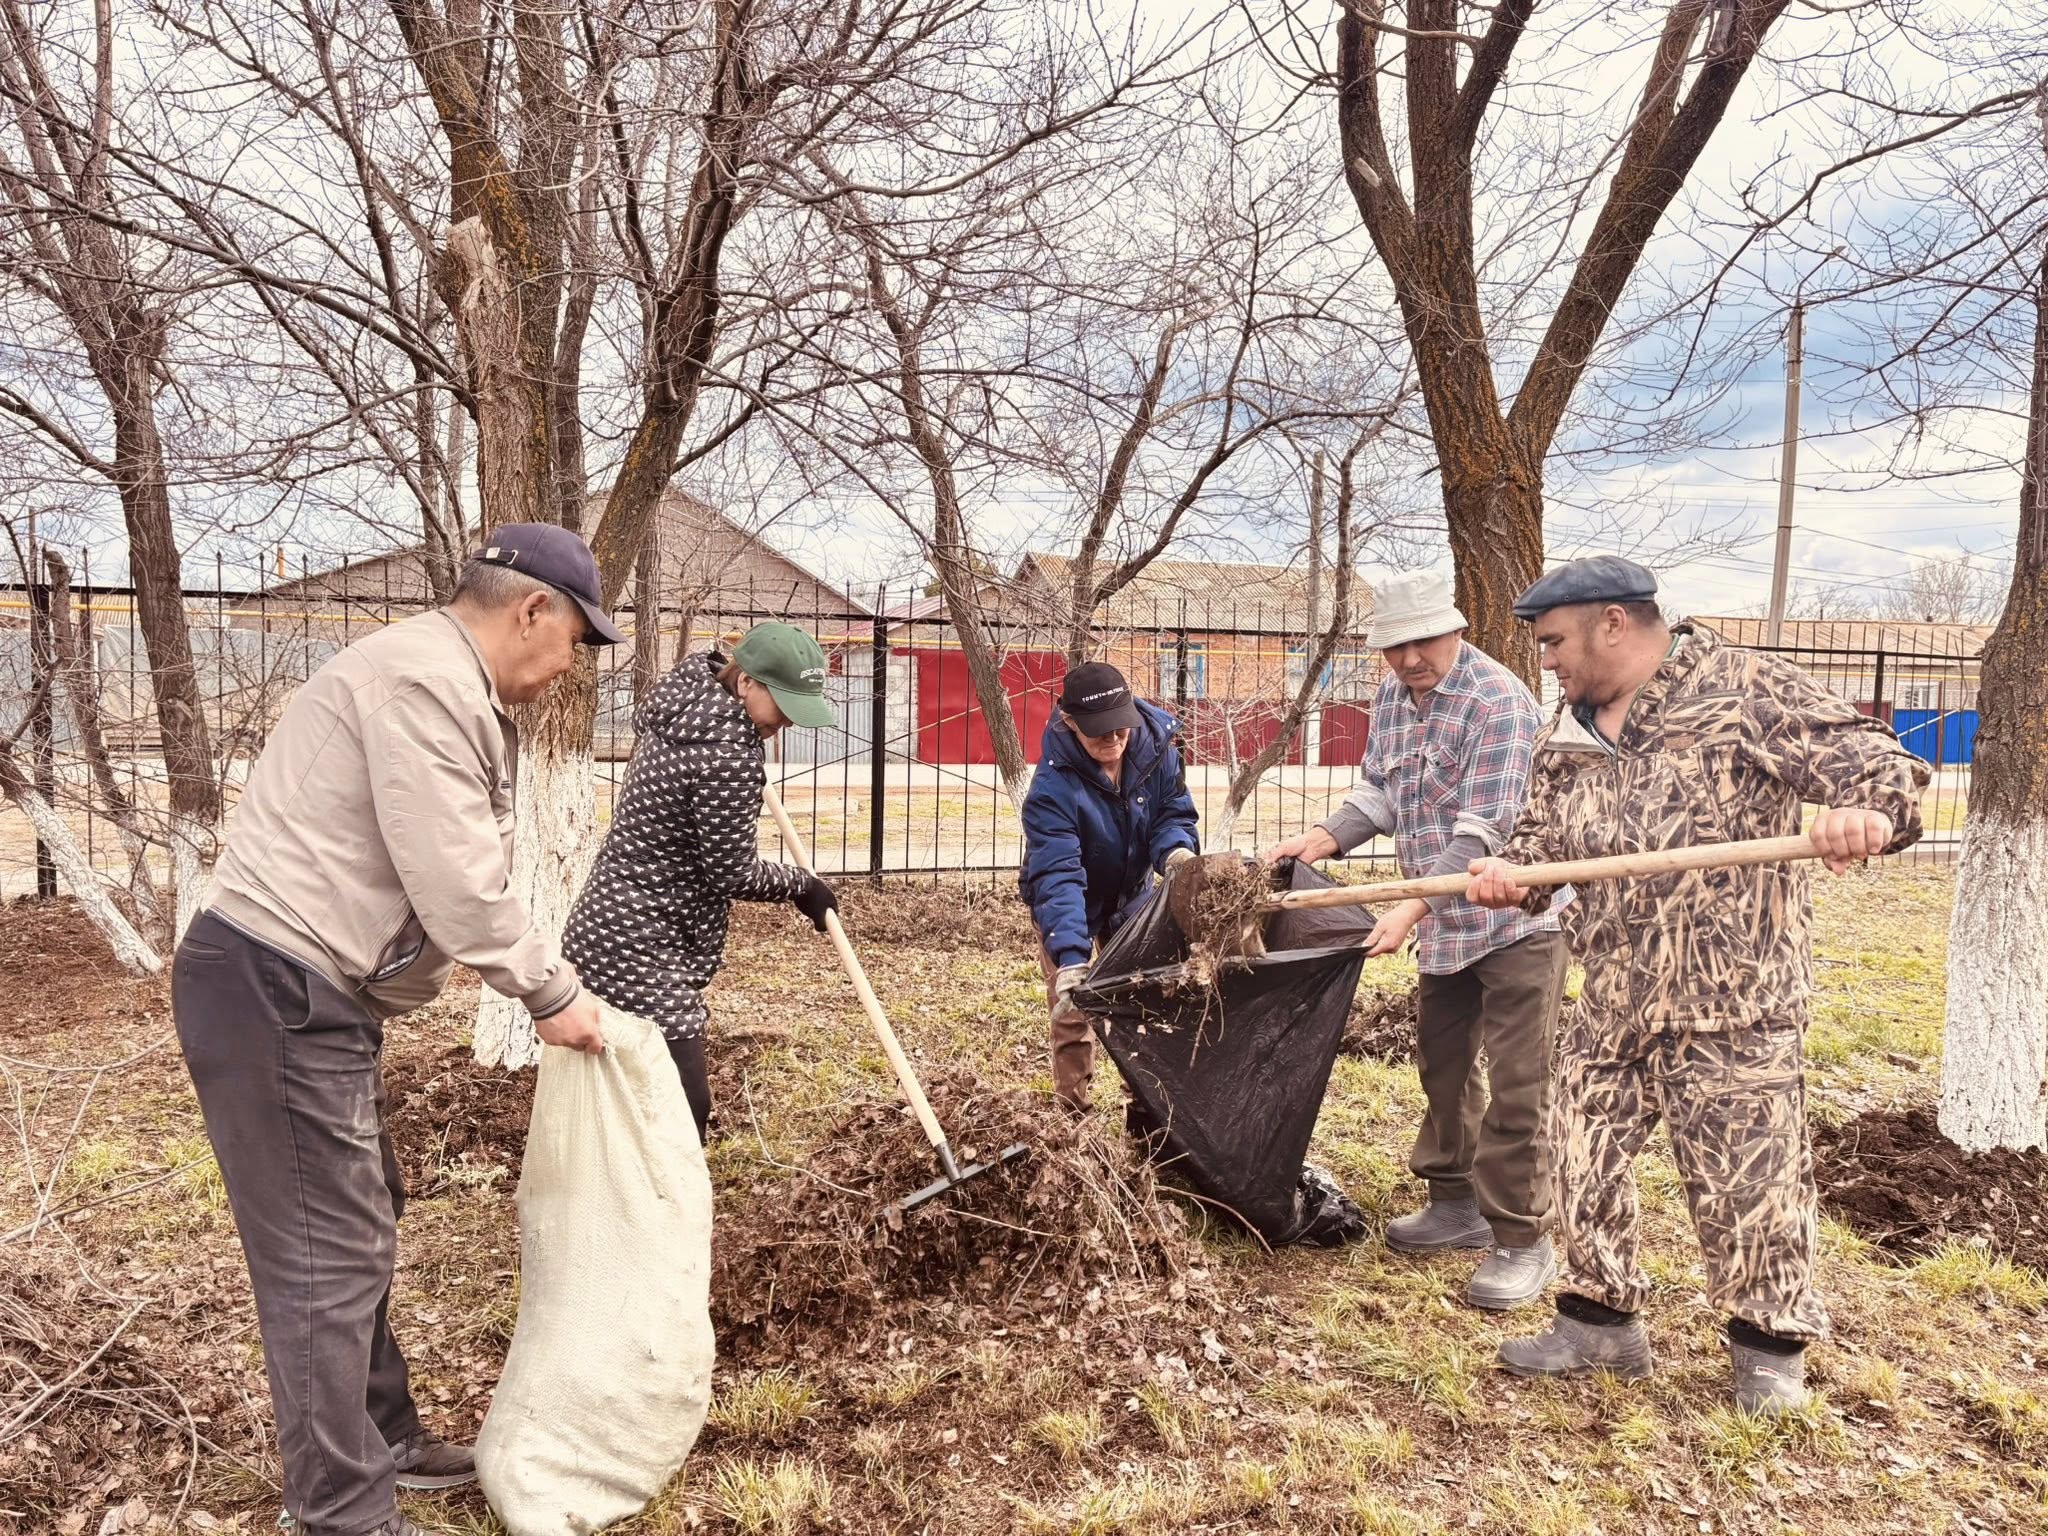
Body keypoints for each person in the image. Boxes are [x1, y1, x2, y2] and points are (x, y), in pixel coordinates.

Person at [174, 525, 620, 1536]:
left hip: (303, 992)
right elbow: (459, 888)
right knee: (324, 1257)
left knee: (357, 1219)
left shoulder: (437, 678)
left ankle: (382, 1441)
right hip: (274, 990)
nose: (567, 669)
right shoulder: (423, 685)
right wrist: (551, 993)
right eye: (573, 642)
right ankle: (339, 1511)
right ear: (531, 611)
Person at [1466, 556, 1929, 1412]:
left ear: (1614, 622)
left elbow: (1879, 763)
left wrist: (1865, 811)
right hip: (1613, 994)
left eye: (1556, 642)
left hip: (1735, 998)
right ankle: (1599, 1323)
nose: (1548, 661)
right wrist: (1512, 872)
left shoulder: (1738, 686)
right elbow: (1540, 842)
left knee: (1749, 1180)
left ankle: (1767, 1349)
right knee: (1579, 1159)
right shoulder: (1565, 731)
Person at [1266, 570, 1568, 1310]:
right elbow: (1379, 794)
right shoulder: (1394, 703)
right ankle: (1455, 1203)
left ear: (1456, 628)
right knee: (1443, 1064)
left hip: (1512, 921)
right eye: (1394, 647)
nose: (1407, 660)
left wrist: (1406, 911)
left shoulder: (1498, 702)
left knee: (1519, 1080)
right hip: (1445, 927)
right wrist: (1321, 839)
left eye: (1421, 642)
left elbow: (1483, 831)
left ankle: (1524, 1239)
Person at [562, 622, 840, 1143]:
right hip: (644, 942)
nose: (785, 722)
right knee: (683, 1102)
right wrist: (802, 886)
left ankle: (630, 1194)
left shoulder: (685, 709)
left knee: (627, 1087)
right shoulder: (727, 754)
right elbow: (731, 871)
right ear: (745, 685)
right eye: (782, 704)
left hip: (602, 922)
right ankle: (660, 1208)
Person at [1019, 661, 1200, 1112]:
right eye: (1098, 730)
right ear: (1069, 721)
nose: (1113, 739)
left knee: (1147, 996)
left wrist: (1176, 854)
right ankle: (1073, 1115)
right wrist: (1071, 960)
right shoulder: (1051, 789)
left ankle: (1148, 1109)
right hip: (1070, 901)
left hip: (1131, 894)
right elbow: (1058, 873)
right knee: (1074, 1010)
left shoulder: (1157, 749)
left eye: (1120, 725)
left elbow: (1172, 813)